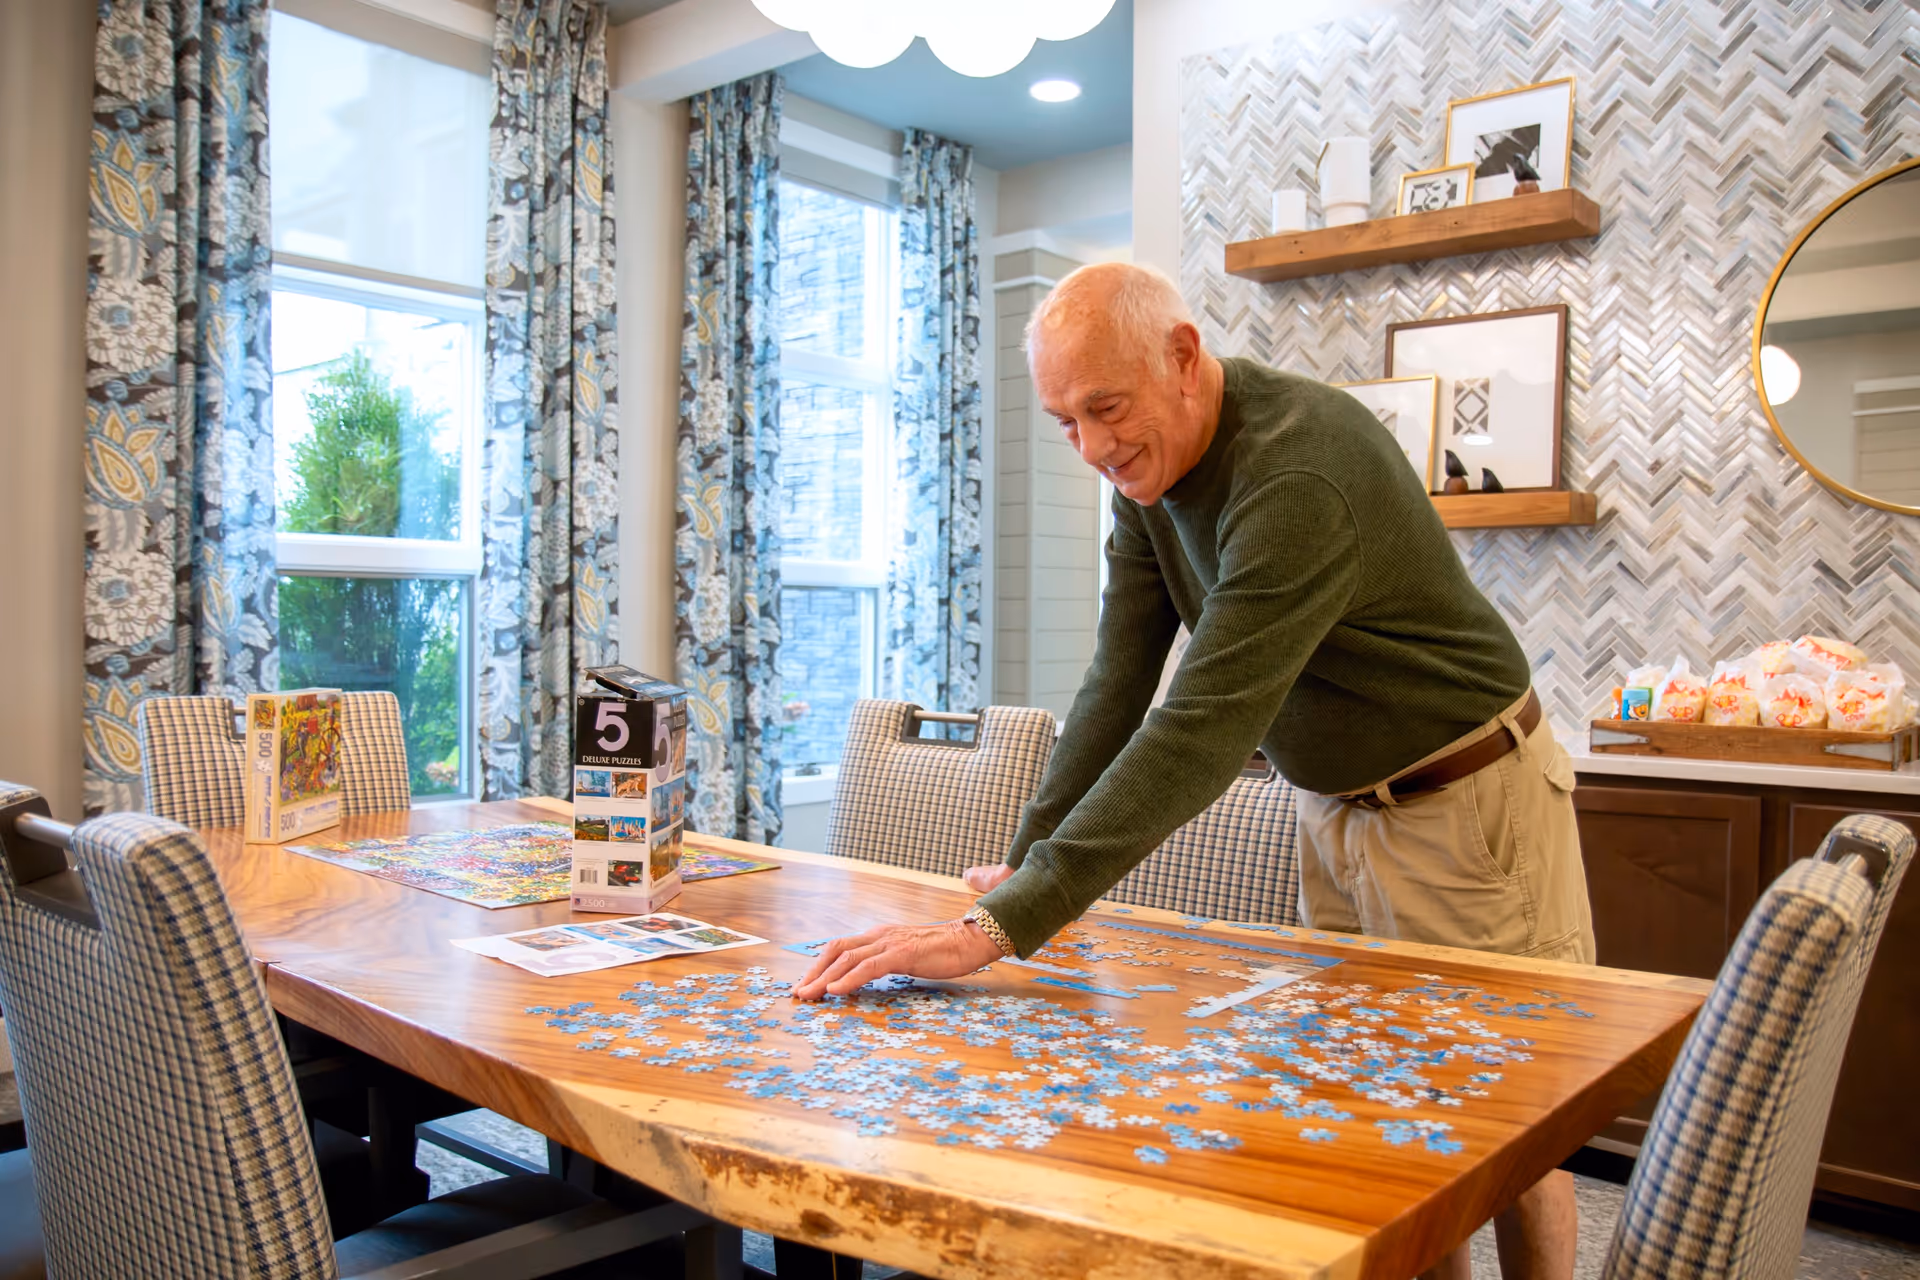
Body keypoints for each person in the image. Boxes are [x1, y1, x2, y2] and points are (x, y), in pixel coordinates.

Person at [794, 261, 1594, 1280]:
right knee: (1386, 1111)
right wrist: (1028, 861)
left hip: (1464, 796)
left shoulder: (1298, 471)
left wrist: (997, 927)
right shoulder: (1149, 478)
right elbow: (1117, 680)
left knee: (1507, 1104)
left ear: (1182, 359)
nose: (1091, 446)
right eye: (1064, 421)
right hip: (1336, 807)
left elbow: (1203, 723)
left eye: (1105, 408)